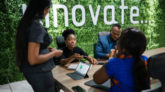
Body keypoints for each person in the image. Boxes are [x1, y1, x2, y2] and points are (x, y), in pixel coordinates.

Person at [15, 0, 63, 92]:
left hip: (32, 71)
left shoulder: (27, 23)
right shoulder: (36, 26)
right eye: (49, 9)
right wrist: (54, 53)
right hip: (39, 71)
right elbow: (33, 59)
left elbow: (31, 49)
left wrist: (44, 50)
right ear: (45, 8)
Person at [93, 27, 150, 92]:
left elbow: (96, 79)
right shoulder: (146, 60)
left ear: (121, 45)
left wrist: (112, 60)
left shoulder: (113, 63)